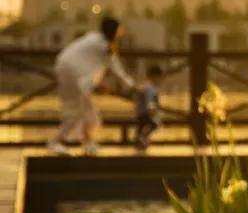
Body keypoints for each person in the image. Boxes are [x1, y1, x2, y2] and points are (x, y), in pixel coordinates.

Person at [47, 16, 136, 156]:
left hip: (68, 71)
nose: (122, 33)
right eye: (120, 30)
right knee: (76, 110)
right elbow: (115, 67)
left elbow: (88, 63)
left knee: (86, 109)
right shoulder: (104, 45)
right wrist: (132, 86)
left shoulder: (94, 39)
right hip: (73, 75)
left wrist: (99, 84)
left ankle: (87, 142)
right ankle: (56, 142)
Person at [134, 64, 163, 151]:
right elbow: (149, 101)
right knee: (154, 124)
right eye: (159, 77)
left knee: (141, 128)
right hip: (146, 112)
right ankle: (142, 139)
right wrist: (152, 111)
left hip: (140, 112)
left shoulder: (145, 85)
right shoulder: (151, 88)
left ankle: (140, 142)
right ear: (154, 76)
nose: (160, 80)